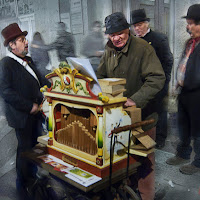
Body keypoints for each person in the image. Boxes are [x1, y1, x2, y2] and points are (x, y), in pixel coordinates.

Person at [97, 12, 165, 200]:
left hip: (142, 118)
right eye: (112, 35)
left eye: (120, 33)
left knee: (145, 164)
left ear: (128, 29)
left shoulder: (143, 48)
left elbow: (157, 78)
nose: (116, 38)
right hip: (118, 119)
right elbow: (101, 75)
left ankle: (146, 197)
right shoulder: (109, 48)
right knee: (124, 162)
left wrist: (136, 99)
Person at [0, 23, 51, 199]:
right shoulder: (6, 64)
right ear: (12, 45)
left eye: (24, 39)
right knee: (24, 148)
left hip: (36, 114)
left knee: (34, 146)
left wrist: (55, 83)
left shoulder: (27, 61)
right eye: (22, 40)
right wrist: (30, 106)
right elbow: (6, 92)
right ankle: (24, 183)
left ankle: (33, 176)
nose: (26, 42)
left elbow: (41, 78)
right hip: (23, 115)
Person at [130, 8, 174, 149]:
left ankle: (160, 138)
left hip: (158, 83)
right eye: (135, 26)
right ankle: (145, 135)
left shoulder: (159, 39)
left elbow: (168, 61)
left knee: (160, 110)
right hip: (142, 86)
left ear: (147, 24)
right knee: (144, 110)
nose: (137, 28)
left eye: (140, 25)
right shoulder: (133, 42)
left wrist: (164, 82)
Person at [166, 4, 200, 175]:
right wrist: (178, 83)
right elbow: (185, 64)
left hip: (198, 95)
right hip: (185, 93)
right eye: (188, 23)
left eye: (192, 23)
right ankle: (183, 153)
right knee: (183, 124)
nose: (188, 27)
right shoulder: (190, 43)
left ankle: (198, 163)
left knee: (198, 130)